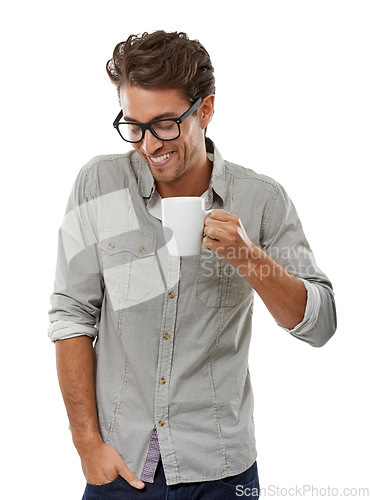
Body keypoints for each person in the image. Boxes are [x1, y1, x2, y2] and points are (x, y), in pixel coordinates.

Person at [48, 30, 337, 499]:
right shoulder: (98, 184)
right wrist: (87, 447)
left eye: (164, 124)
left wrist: (250, 257)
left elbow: (320, 324)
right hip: (119, 467)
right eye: (134, 125)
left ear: (205, 109)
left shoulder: (261, 200)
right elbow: (71, 316)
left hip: (220, 469)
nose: (148, 144)